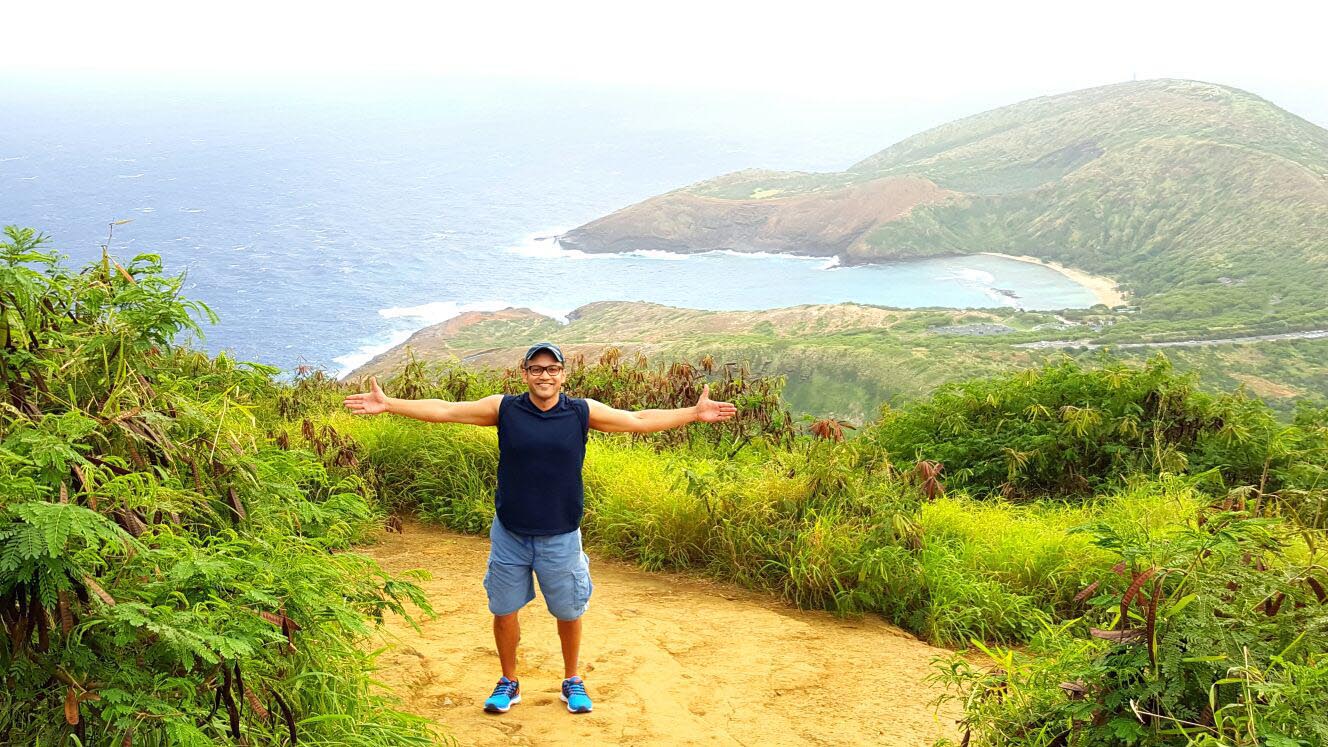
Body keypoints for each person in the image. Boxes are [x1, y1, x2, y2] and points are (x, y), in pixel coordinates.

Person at [342, 342, 737, 714]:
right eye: (536, 369)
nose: (544, 375)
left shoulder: (582, 411)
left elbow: (636, 420)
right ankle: (509, 681)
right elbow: (447, 409)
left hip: (561, 534)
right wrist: (390, 404)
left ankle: (572, 680)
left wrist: (692, 413)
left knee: (568, 611)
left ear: (563, 375)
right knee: (504, 609)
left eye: (552, 369)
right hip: (510, 532)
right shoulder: (504, 409)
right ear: (525, 373)